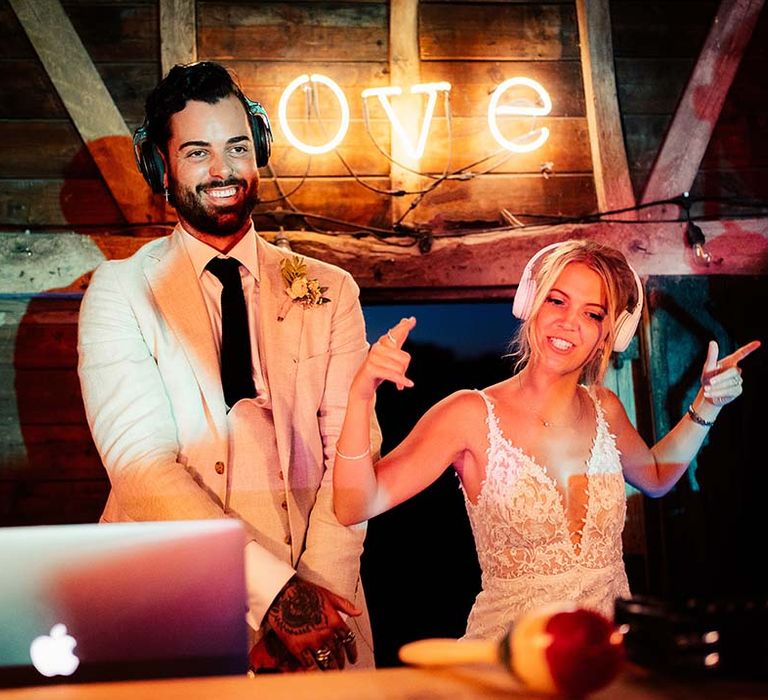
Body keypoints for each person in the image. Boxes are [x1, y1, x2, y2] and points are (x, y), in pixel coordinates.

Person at [77, 61, 379, 671]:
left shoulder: (331, 288)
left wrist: (314, 597)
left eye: (238, 147)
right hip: (169, 595)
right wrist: (272, 595)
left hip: (322, 603)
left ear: (258, 153)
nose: (223, 170)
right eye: (197, 152)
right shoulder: (119, 291)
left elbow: (354, 450)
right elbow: (141, 466)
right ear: (161, 169)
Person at [332, 239, 760, 642]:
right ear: (531, 304)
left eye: (593, 313)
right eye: (557, 300)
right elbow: (355, 505)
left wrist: (708, 403)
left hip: (606, 656)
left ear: (609, 334)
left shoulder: (604, 407)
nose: (568, 323)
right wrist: (360, 393)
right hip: (509, 658)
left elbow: (656, 476)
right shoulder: (469, 414)